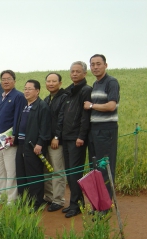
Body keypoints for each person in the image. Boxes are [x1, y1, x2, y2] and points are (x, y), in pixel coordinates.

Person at [84, 54, 120, 203]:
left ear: (106, 65)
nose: (95, 67)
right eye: (92, 64)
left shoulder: (111, 82)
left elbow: (112, 105)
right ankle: (99, 202)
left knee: (105, 168)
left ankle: (105, 204)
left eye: (99, 64)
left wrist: (91, 106)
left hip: (106, 129)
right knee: (96, 168)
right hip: (94, 129)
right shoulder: (96, 83)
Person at [14, 79, 51, 211]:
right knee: (21, 175)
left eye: (30, 89)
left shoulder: (42, 106)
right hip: (21, 145)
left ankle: (36, 203)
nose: (26, 91)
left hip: (33, 146)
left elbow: (45, 127)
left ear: (37, 91)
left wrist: (40, 143)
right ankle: (24, 201)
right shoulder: (25, 105)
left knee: (34, 175)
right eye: (25, 88)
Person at [62, 61, 92, 218]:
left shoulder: (86, 90)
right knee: (69, 172)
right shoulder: (70, 91)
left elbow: (85, 116)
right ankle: (75, 202)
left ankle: (77, 205)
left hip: (77, 139)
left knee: (75, 173)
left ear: (84, 74)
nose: (74, 73)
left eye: (78, 71)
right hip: (66, 137)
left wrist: (81, 136)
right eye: (72, 71)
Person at [0, 70, 26, 203]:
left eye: (9, 79)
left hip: (9, 140)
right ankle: (1, 196)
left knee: (10, 170)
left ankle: (12, 199)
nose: (6, 81)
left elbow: (18, 118)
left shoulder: (18, 96)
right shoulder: (1, 97)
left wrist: (14, 137)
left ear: (14, 81)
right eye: (3, 79)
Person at [43, 73, 68, 212]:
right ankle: (49, 197)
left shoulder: (64, 97)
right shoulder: (47, 99)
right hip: (46, 140)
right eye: (48, 81)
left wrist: (57, 137)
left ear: (60, 82)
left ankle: (58, 200)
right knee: (46, 170)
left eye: (54, 81)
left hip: (56, 141)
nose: (51, 83)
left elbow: (62, 119)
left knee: (57, 170)